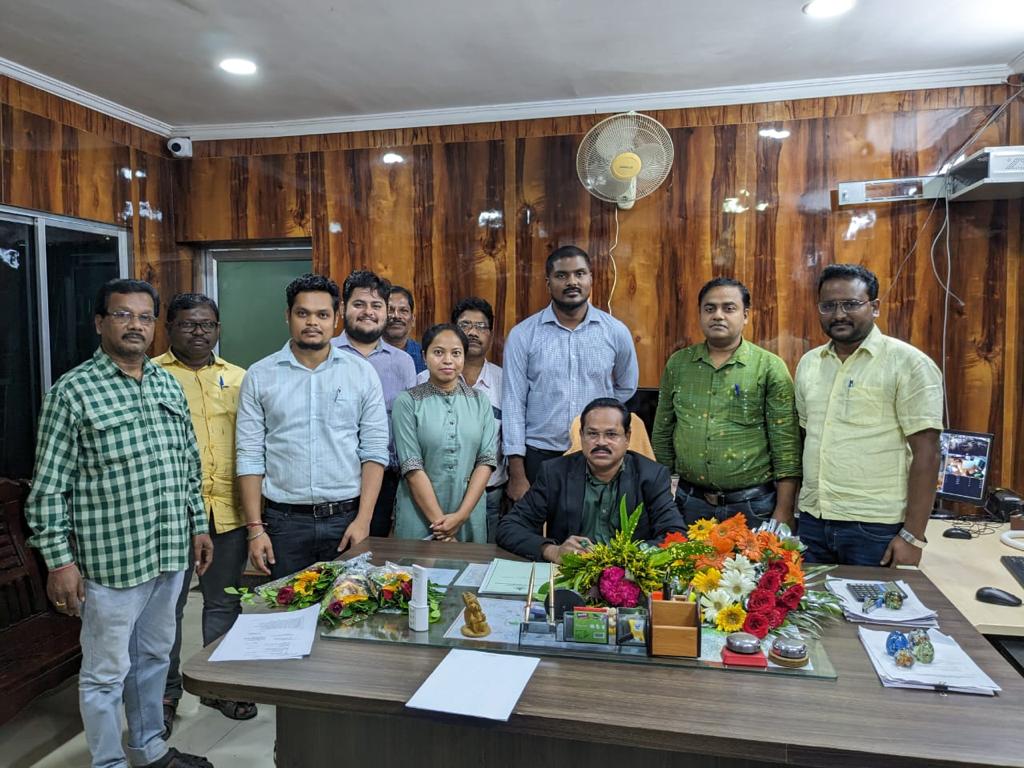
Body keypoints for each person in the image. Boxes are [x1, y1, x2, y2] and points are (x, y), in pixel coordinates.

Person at [25, 278, 214, 768]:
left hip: (169, 553)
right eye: (123, 314)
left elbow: (188, 465)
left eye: (145, 317)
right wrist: (59, 562)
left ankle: (149, 748)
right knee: (105, 673)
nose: (135, 325)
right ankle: (108, 762)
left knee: (154, 658)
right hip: (110, 562)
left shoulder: (165, 383)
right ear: (99, 322)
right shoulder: (73, 392)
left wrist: (197, 525)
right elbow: (48, 490)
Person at [237, 274, 389, 579]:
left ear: (336, 318)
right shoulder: (260, 375)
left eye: (322, 314)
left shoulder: (361, 373)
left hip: (346, 521)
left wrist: (363, 521)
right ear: (288, 315)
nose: (312, 322)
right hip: (284, 524)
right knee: (285, 607)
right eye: (302, 313)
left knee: (348, 606)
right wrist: (255, 529)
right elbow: (249, 455)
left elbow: (374, 451)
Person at [795, 264, 943, 566]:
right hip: (812, 522)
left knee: (872, 601)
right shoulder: (809, 364)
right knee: (809, 599)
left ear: (874, 307)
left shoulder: (908, 363)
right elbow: (806, 438)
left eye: (850, 304)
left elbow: (927, 453)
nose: (839, 314)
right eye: (828, 306)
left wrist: (913, 535)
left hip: (876, 529)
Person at [155, 293, 254, 737]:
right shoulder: (152, 376)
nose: (199, 332)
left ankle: (218, 685)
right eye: (188, 324)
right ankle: (165, 694)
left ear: (218, 329)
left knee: (224, 601)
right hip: (171, 515)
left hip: (227, 509)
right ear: (169, 328)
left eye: (207, 324)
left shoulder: (240, 377)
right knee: (166, 610)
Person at [651, 278, 801, 527]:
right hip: (690, 503)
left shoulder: (769, 367)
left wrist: (784, 510)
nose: (718, 315)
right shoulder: (678, 364)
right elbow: (663, 433)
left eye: (729, 308)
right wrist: (663, 500)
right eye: (710, 308)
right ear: (700, 314)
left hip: (753, 506)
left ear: (746, 315)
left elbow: (786, 446)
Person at [502, 245, 639, 502]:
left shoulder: (615, 332)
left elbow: (626, 387)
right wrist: (517, 473)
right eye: (562, 275)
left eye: (579, 273)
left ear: (590, 278)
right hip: (541, 455)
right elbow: (513, 403)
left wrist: (601, 419)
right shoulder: (523, 335)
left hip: (598, 454)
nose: (572, 282)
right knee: (542, 526)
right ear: (548, 283)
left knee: (595, 525)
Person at [498, 398, 684, 563]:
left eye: (611, 434)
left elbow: (676, 536)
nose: (601, 442)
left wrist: (625, 557)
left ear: (627, 437)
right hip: (569, 574)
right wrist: (553, 551)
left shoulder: (651, 476)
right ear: (581, 435)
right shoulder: (555, 473)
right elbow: (509, 527)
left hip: (627, 578)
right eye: (592, 434)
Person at [393, 324, 497, 543]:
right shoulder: (408, 401)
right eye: (438, 352)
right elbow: (411, 466)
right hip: (419, 514)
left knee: (468, 565)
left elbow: (486, 461)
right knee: (417, 566)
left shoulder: (480, 401)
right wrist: (443, 527)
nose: (448, 360)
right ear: (424, 356)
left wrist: (460, 517)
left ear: (464, 357)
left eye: (456, 353)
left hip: (468, 512)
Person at [332, 270, 417, 537]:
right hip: (333, 481)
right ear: (343, 308)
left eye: (376, 305)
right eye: (359, 304)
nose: (368, 312)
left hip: (385, 482)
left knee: (373, 557)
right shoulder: (325, 354)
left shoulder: (403, 363)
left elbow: (408, 429)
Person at [416, 297, 506, 542]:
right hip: (432, 497)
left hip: (490, 494)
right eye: (465, 325)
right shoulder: (422, 381)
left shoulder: (504, 380)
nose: (473, 332)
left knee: (481, 559)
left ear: (491, 334)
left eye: (481, 326)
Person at [384, 284, 426, 373]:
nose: (396, 316)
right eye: (390, 310)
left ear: (413, 320)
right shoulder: (367, 353)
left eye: (403, 311)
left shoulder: (424, 356)